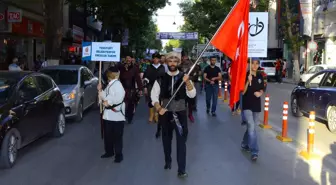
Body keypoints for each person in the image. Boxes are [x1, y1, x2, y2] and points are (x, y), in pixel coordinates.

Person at [150, 52, 196, 178]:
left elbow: (192, 95)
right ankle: (167, 160)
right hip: (165, 113)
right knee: (166, 139)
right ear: (167, 62)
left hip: (180, 114)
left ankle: (181, 169)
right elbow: (153, 96)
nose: (172, 63)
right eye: (170, 61)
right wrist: (158, 108)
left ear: (178, 63)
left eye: (175, 61)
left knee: (182, 142)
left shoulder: (184, 77)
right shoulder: (160, 78)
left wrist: (187, 82)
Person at [97, 66, 126, 163]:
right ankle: (109, 152)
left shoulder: (118, 85)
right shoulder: (110, 85)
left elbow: (118, 98)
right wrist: (100, 90)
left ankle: (119, 155)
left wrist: (108, 101)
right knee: (108, 135)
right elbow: (104, 96)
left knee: (117, 136)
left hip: (117, 116)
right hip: (108, 116)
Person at [241, 58, 265, 161]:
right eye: (253, 63)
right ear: (249, 64)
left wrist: (260, 93)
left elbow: (262, 88)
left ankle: (244, 143)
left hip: (256, 105)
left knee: (252, 128)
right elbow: (243, 92)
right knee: (251, 126)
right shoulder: (245, 75)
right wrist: (248, 81)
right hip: (247, 105)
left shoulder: (260, 76)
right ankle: (254, 151)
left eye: (256, 64)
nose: (254, 66)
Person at [119, 54, 143, 124]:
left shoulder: (135, 68)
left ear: (131, 59)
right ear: (125, 59)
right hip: (122, 88)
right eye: (127, 58)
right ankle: (122, 116)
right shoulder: (121, 67)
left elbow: (138, 79)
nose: (128, 60)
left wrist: (140, 88)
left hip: (131, 90)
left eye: (129, 58)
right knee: (122, 104)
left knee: (131, 104)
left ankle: (130, 118)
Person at [143, 52, 166, 124]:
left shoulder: (162, 67)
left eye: (157, 58)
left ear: (159, 59)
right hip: (151, 86)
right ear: (152, 59)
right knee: (150, 101)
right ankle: (151, 115)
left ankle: (156, 116)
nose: (156, 60)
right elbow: (146, 77)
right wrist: (145, 87)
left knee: (158, 101)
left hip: (159, 86)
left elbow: (163, 77)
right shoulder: (149, 67)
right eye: (154, 58)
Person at [180, 53, 196, 122]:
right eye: (184, 57)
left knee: (191, 101)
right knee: (182, 101)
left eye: (186, 57)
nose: (185, 58)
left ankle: (190, 114)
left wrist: (189, 78)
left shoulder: (192, 66)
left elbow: (196, 76)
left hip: (190, 84)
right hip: (181, 86)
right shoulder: (179, 66)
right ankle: (182, 115)